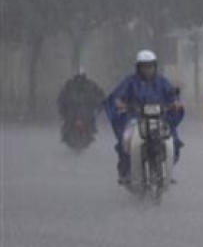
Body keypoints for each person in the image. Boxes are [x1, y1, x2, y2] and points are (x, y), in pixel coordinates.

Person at [104, 50, 185, 185]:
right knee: (125, 141)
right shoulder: (130, 82)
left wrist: (175, 103)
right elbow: (117, 97)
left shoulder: (162, 82)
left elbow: (173, 96)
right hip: (135, 119)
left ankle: (167, 168)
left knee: (173, 140)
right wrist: (120, 104)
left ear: (155, 66)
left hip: (160, 119)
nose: (148, 69)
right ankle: (126, 172)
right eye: (144, 66)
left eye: (150, 66)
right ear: (138, 67)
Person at [57, 68, 104, 140]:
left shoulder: (90, 85)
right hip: (73, 115)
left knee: (88, 123)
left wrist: (97, 109)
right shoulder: (70, 85)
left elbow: (100, 97)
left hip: (85, 115)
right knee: (69, 124)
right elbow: (61, 99)